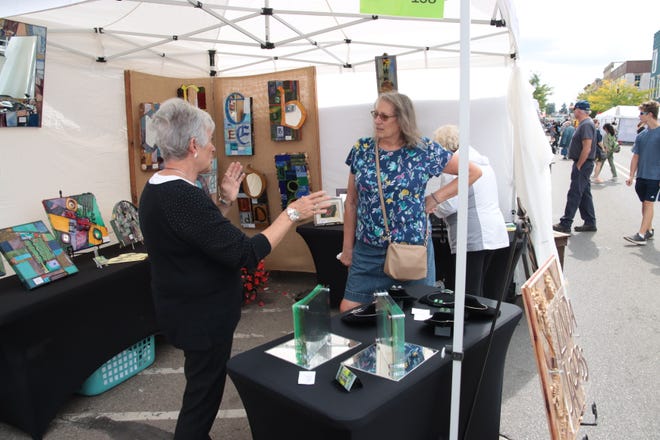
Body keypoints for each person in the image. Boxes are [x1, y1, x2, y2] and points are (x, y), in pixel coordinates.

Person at [138, 98, 330, 439]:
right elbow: (244, 252)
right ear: (194, 145)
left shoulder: (158, 188)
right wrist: (292, 213)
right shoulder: (183, 196)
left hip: (184, 310)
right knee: (202, 399)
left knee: (201, 387)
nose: (214, 148)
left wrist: (225, 200)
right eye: (210, 140)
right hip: (201, 317)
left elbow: (202, 236)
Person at [338, 92, 482, 312]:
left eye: (384, 117)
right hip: (368, 250)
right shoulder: (362, 149)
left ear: (402, 119)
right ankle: (368, 348)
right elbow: (351, 202)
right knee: (350, 310)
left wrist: (435, 198)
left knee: (416, 314)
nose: (377, 120)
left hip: (410, 250)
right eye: (375, 114)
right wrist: (347, 249)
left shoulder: (422, 150)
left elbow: (472, 172)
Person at [426, 124, 509, 298]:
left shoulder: (457, 164)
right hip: (495, 232)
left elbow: (449, 204)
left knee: (469, 293)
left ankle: (468, 325)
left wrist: (433, 208)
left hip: (473, 235)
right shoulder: (482, 162)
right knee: (485, 291)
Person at [553, 100, 598, 234]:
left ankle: (566, 223)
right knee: (584, 193)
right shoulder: (586, 124)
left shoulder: (586, 125)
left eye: (574, 110)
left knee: (575, 193)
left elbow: (587, 147)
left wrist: (579, 165)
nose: (573, 112)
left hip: (583, 163)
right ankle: (590, 221)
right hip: (584, 162)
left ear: (579, 110)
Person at [623, 100, 660, 245]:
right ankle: (649, 229)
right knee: (644, 205)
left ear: (650, 114)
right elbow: (635, 156)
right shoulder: (641, 135)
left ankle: (641, 234)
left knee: (648, 203)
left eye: (641, 113)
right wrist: (631, 175)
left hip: (655, 176)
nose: (639, 116)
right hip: (642, 176)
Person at [591, 119, 606, 184]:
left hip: (590, 148)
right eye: (598, 123)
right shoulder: (597, 131)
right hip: (596, 149)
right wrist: (603, 148)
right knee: (598, 164)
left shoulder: (589, 130)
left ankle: (594, 176)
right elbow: (599, 142)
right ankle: (596, 177)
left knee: (592, 163)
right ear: (595, 123)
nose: (598, 124)